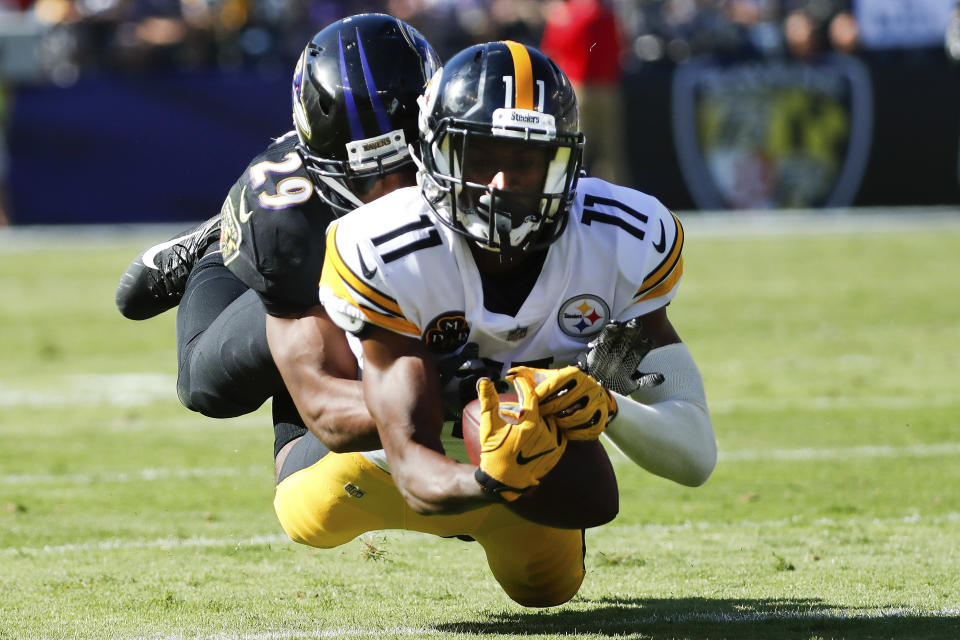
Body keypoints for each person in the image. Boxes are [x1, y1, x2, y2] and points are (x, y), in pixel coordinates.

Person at [275, 40, 717, 607]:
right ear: (434, 154)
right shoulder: (388, 245)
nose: (502, 184)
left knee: (548, 588)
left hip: (525, 470)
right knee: (310, 513)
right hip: (387, 461)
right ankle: (282, 412)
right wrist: (487, 481)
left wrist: (607, 407)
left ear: (563, 163)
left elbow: (695, 454)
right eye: (482, 157)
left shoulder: (619, 240)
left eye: (525, 160)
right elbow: (410, 458)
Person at [114, 13, 441, 478]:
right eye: (371, 174)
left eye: (407, 164)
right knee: (206, 387)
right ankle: (216, 241)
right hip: (316, 262)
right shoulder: (289, 217)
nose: (394, 191)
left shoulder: (472, 158)